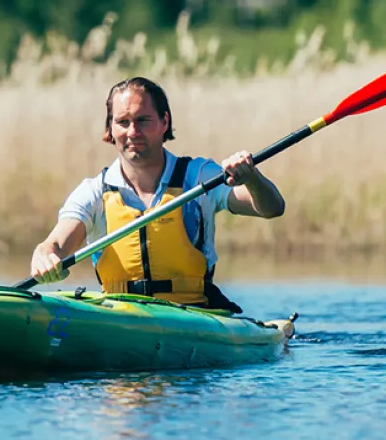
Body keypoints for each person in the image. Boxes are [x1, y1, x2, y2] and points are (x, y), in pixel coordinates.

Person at [29, 76, 286, 313]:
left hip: (194, 313)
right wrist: (45, 256)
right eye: (122, 122)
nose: (132, 132)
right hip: (120, 315)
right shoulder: (94, 191)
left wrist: (252, 178)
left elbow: (271, 207)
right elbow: (57, 243)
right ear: (110, 128)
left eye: (143, 120)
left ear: (164, 122)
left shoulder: (199, 176)